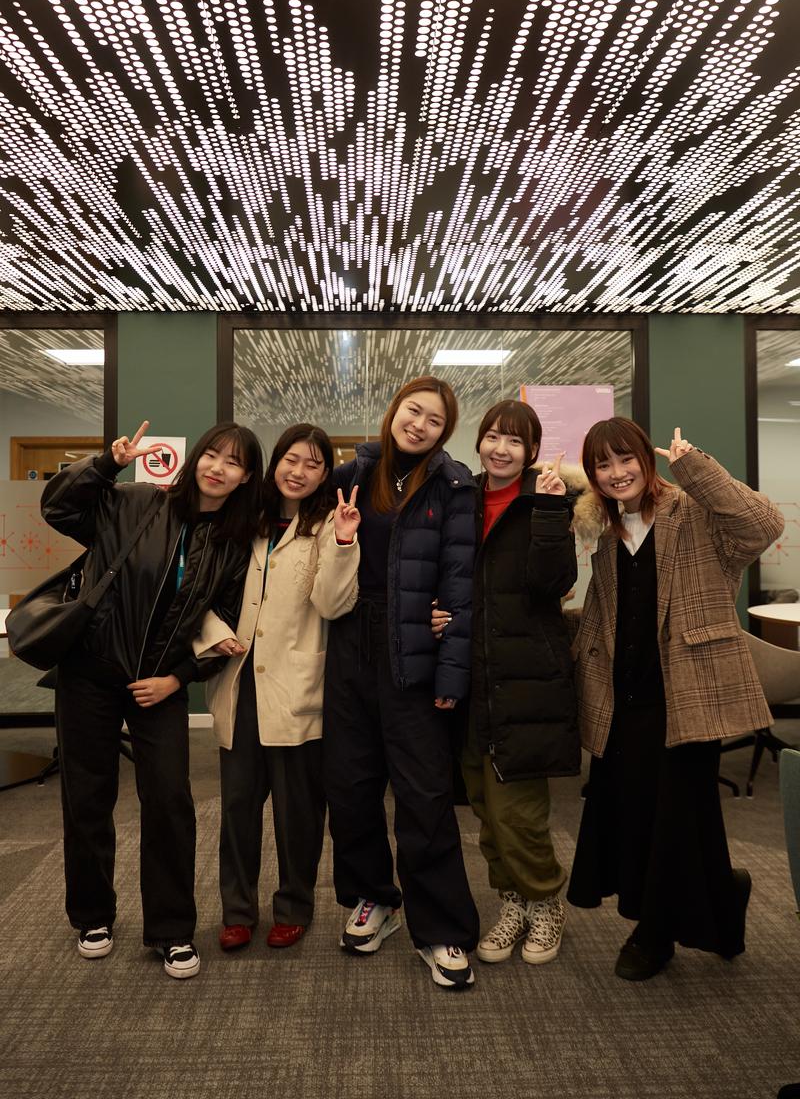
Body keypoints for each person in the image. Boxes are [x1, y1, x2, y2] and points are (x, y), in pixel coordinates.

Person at [41, 420, 262, 979]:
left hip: (158, 685)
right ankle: (92, 914)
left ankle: (171, 930)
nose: (217, 467)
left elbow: (228, 628)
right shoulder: (136, 501)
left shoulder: (234, 545)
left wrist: (178, 678)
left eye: (233, 462)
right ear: (197, 460)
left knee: (169, 802)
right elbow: (59, 511)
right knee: (87, 796)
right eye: (212, 454)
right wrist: (103, 465)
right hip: (90, 672)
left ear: (246, 477)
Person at [567, 419, 785, 980]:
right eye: (603, 466)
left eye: (625, 460)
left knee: (672, 815)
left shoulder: (695, 512)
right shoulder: (609, 531)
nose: (617, 474)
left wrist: (696, 466)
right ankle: (723, 894)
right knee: (659, 813)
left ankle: (653, 935)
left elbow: (764, 525)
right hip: (629, 696)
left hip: (694, 691)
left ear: (647, 458)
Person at [323, 376, 480, 989]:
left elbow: (460, 586)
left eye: (434, 420)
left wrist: (450, 674)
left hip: (415, 647)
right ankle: (374, 897)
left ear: (444, 432)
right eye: (413, 411)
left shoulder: (453, 484)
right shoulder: (349, 474)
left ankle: (442, 928)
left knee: (425, 796)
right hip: (349, 646)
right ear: (394, 411)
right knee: (351, 788)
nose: (419, 424)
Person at [192, 425, 361, 953]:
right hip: (240, 684)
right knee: (238, 809)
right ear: (274, 465)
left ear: (325, 473)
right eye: (291, 459)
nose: (298, 471)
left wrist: (342, 541)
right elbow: (202, 590)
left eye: (313, 464)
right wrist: (216, 635)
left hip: (297, 689)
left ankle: (293, 907)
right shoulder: (246, 520)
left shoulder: (330, 524)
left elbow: (334, 605)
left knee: (298, 814)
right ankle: (237, 912)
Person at [433, 399, 582, 965]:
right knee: (486, 813)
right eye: (493, 436)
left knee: (519, 812)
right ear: (479, 443)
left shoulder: (544, 502)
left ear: (532, 452)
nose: (501, 448)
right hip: (467, 678)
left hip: (525, 679)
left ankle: (546, 902)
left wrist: (547, 510)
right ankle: (513, 902)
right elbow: (437, 572)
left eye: (515, 441)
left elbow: (553, 584)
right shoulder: (458, 500)